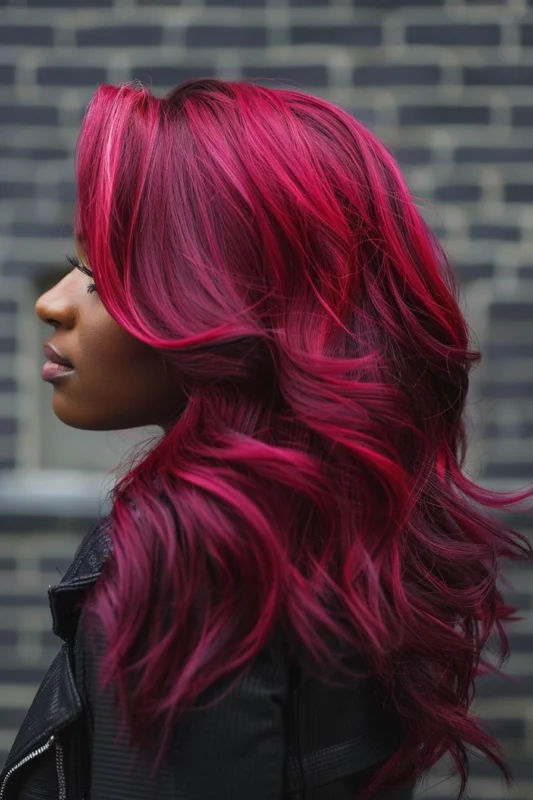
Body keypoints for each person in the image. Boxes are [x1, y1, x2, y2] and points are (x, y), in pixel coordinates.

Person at [2, 77, 532, 800]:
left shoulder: (190, 569)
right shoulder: (336, 533)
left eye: (102, 273)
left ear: (223, 295)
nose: (50, 303)